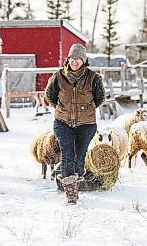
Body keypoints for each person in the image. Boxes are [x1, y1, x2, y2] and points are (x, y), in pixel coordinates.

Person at [45, 43, 105, 204]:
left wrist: (87, 109)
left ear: (84, 61)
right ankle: (71, 194)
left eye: (78, 59)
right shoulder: (58, 76)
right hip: (63, 122)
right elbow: (49, 95)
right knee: (67, 156)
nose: (75, 61)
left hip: (86, 124)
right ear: (68, 59)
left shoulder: (93, 78)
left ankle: (75, 179)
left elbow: (100, 98)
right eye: (72, 58)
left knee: (79, 159)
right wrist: (62, 108)